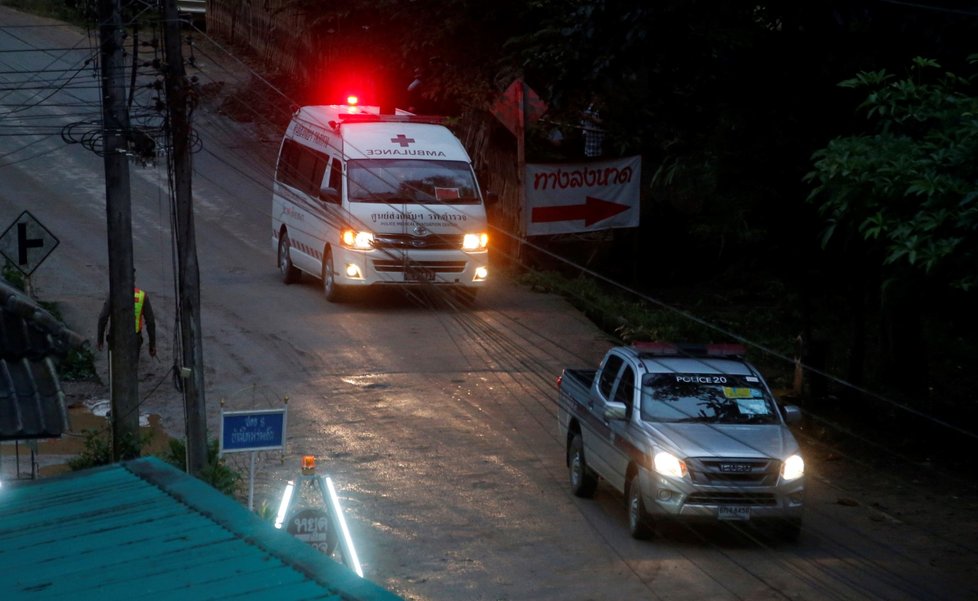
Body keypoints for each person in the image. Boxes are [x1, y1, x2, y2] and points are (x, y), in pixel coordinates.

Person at [96, 287, 157, 357]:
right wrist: (152, 344)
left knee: (114, 365)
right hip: (134, 340)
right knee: (132, 365)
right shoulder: (142, 296)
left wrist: (100, 339)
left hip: (116, 338)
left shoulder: (113, 294)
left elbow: (103, 317)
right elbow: (150, 322)